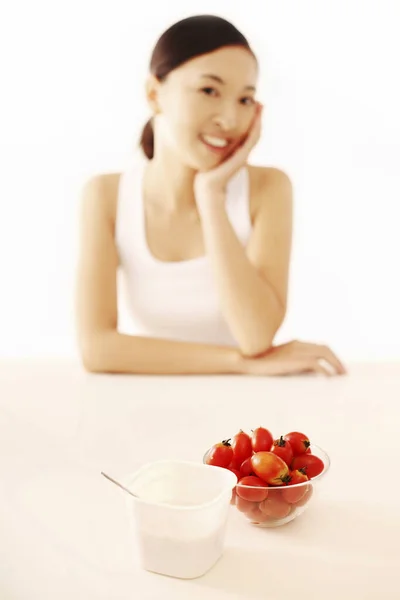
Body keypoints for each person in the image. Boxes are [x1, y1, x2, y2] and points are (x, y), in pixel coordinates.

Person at [75, 14, 347, 377]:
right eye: (209, 91)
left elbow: (255, 335)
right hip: (143, 405)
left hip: (244, 417)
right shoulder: (106, 196)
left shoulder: (268, 190)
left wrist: (211, 196)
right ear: (154, 94)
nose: (230, 119)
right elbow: (97, 348)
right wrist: (239, 365)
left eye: (245, 99)